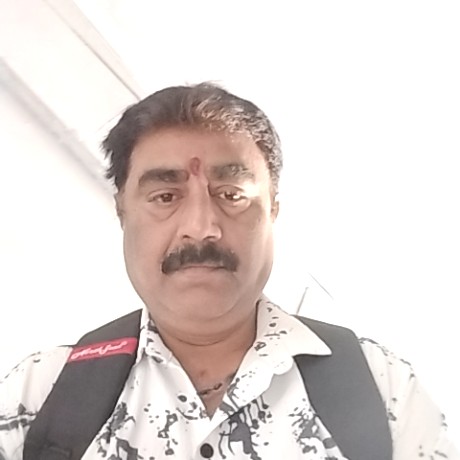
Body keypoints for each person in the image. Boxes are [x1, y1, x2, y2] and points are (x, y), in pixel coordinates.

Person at [0, 83, 458, 460]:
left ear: (273, 210)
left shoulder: (381, 390)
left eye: (232, 194)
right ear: (123, 212)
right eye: (165, 197)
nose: (202, 227)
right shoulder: (39, 396)